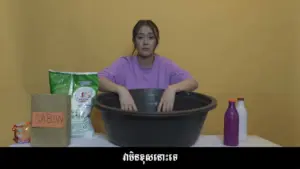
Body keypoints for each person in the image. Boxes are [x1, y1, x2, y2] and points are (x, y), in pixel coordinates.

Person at [98, 20, 198, 112]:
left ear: (156, 42)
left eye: (151, 37)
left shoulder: (166, 65)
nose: (145, 42)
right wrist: (120, 90)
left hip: (160, 124)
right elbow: (97, 80)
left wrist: (173, 89)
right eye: (140, 37)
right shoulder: (123, 64)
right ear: (134, 41)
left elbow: (192, 82)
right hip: (129, 123)